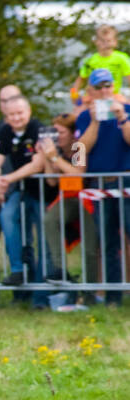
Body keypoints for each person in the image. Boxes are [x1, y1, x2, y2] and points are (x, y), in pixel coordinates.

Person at [72, 69, 130, 304]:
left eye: (109, 86)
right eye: (100, 87)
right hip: (101, 186)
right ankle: (113, 297)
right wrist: (95, 121)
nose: (105, 90)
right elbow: (78, 155)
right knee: (107, 243)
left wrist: (122, 119)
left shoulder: (126, 111)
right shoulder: (84, 117)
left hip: (126, 182)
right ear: (91, 92)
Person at [0, 95, 45, 290]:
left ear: (28, 111)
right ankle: (17, 269)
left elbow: (37, 165)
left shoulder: (39, 129)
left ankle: (46, 276)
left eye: (20, 113)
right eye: (11, 114)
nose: (16, 118)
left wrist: (8, 179)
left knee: (44, 233)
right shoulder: (5, 132)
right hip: (21, 190)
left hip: (43, 191)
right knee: (7, 215)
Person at [38, 113, 88, 286]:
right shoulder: (56, 151)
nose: (56, 137)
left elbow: (78, 174)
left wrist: (54, 158)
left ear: (72, 133)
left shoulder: (79, 147)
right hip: (67, 198)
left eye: (61, 132)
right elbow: (51, 181)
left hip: (88, 198)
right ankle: (60, 269)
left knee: (91, 247)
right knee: (49, 219)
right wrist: (46, 157)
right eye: (54, 132)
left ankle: (93, 290)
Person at [73, 24, 130, 101]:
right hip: (92, 96)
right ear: (96, 42)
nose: (106, 43)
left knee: (124, 106)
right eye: (102, 40)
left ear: (115, 42)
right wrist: (74, 96)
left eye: (109, 40)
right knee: (78, 111)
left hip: (113, 95)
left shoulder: (122, 58)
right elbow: (80, 79)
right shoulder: (90, 60)